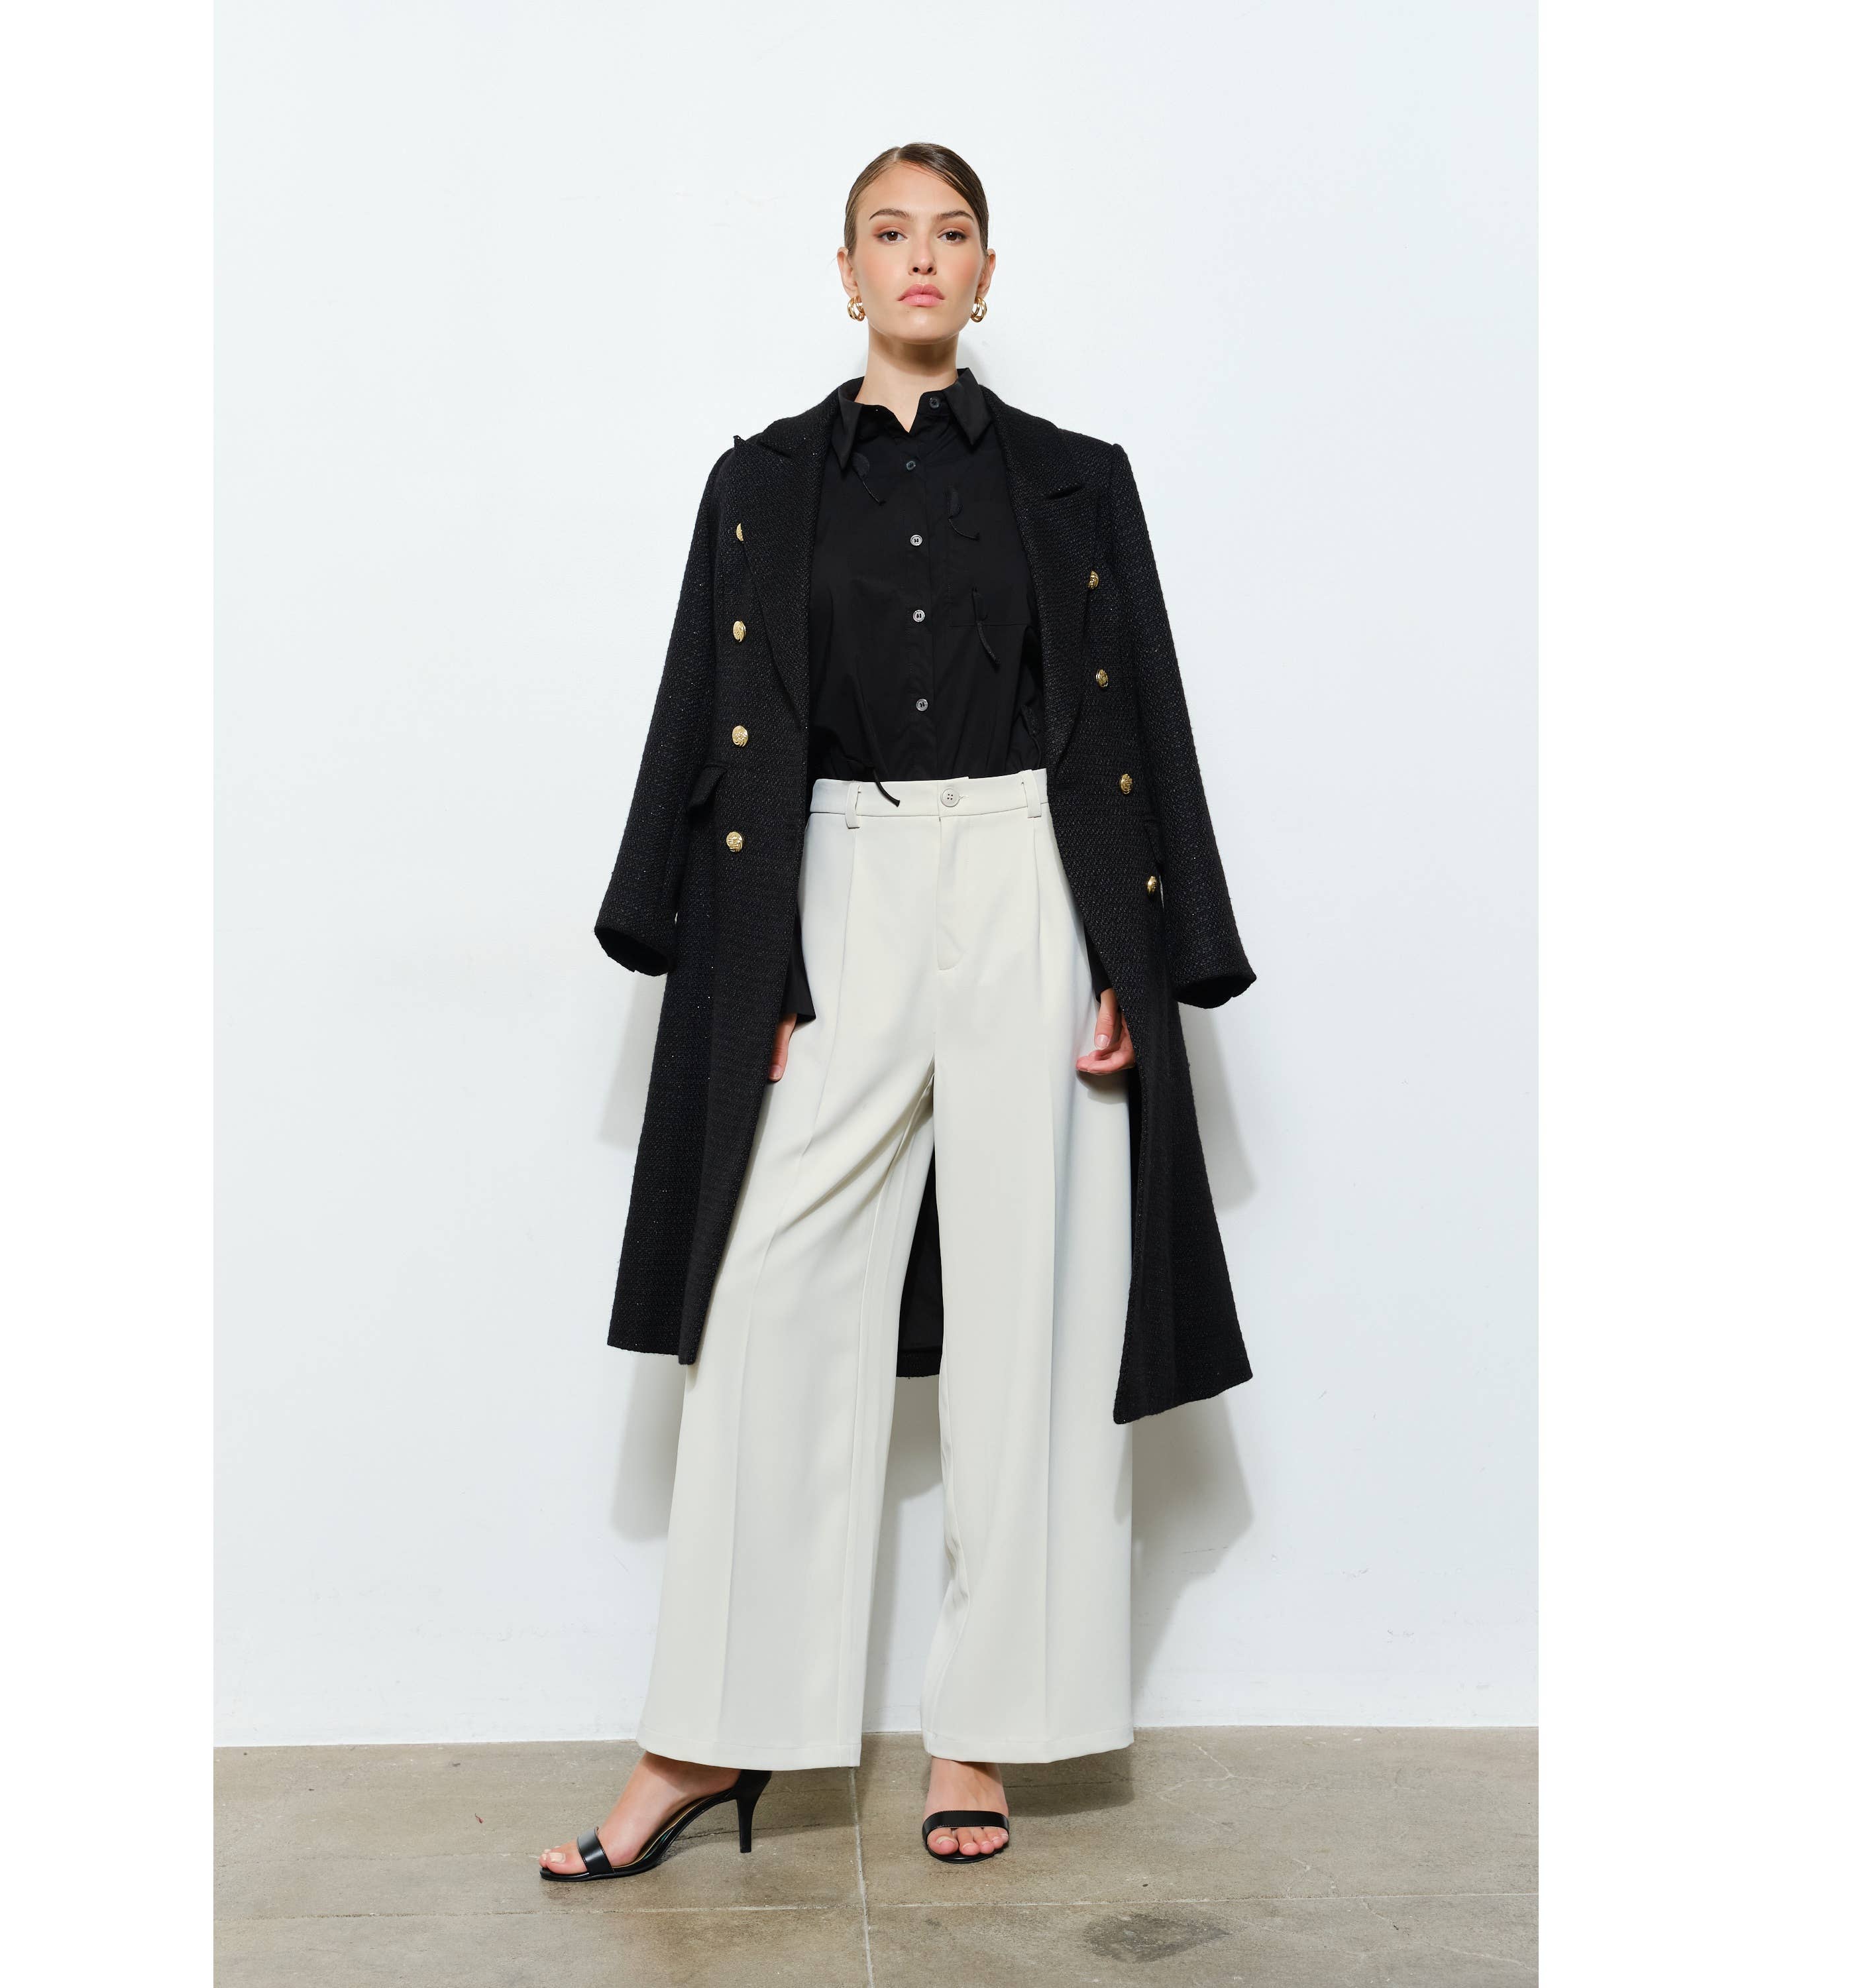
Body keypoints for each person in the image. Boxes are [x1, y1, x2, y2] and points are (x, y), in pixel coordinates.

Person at [543, 141, 1256, 1883]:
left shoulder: (1080, 481)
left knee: (1039, 1311)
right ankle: (705, 1735)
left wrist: (1134, 953)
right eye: (889, 231)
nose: (920, 258)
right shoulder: (760, 483)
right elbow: (705, 711)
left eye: (951, 233)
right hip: (837, 880)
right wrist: (749, 968)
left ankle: (983, 1734)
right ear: (846, 269)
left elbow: (1138, 716)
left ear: (989, 273)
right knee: (769, 1301)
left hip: (1034, 877)